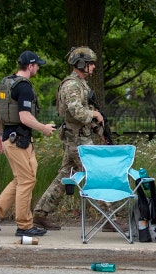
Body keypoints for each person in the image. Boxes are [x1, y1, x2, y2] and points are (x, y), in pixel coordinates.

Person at [31, 46, 107, 231]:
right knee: (94, 174)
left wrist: (99, 130)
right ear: (81, 64)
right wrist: (94, 114)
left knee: (66, 176)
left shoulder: (80, 84)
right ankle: (109, 217)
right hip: (77, 140)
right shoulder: (72, 85)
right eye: (90, 64)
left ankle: (40, 214)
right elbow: (76, 111)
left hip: (79, 137)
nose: (94, 67)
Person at [0, 51, 56, 237]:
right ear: (30, 66)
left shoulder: (6, 83)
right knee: (27, 180)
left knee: (24, 177)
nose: (38, 68)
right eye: (37, 65)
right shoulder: (23, 87)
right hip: (19, 141)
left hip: (11, 138)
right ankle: (24, 225)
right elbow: (24, 117)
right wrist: (44, 128)